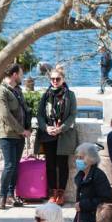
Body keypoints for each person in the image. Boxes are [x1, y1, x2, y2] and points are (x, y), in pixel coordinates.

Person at [35, 66, 78, 204]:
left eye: (57, 79)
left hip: (64, 135)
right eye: (52, 79)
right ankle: (52, 192)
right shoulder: (46, 95)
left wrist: (61, 128)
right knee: (51, 164)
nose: (54, 81)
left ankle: (61, 193)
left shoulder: (70, 95)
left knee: (63, 164)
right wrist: (46, 128)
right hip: (49, 135)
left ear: (63, 80)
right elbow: (40, 114)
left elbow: (72, 115)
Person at [0, 63, 32, 209]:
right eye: (20, 74)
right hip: (7, 134)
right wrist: (22, 130)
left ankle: (10, 195)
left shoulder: (17, 91)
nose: (22, 77)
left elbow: (24, 110)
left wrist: (28, 128)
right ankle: (2, 197)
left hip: (19, 135)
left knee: (15, 166)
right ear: (14, 74)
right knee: (9, 165)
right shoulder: (0, 91)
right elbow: (5, 115)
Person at [71, 143, 112, 222]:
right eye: (77, 157)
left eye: (81, 157)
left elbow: (105, 201)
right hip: (83, 221)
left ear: (90, 160)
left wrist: (83, 205)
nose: (78, 159)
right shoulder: (81, 176)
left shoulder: (99, 176)